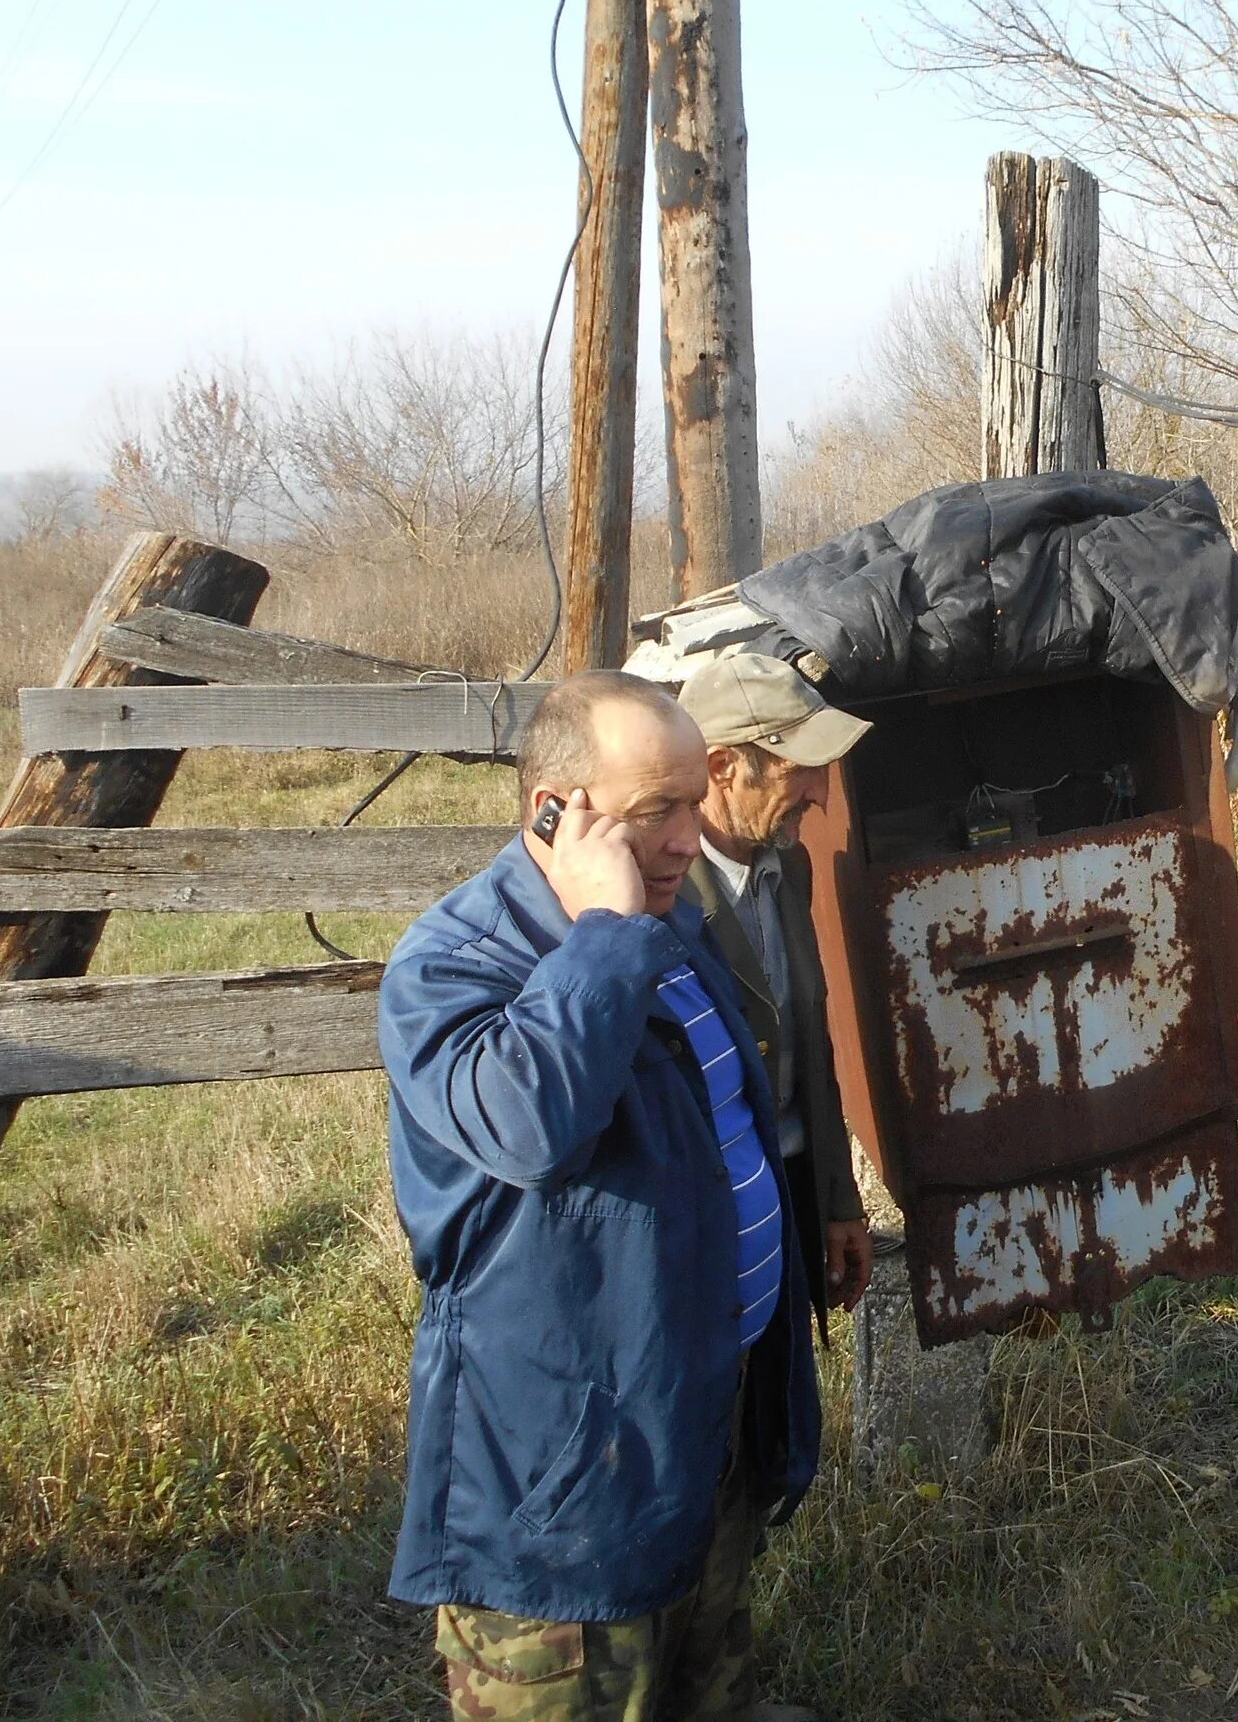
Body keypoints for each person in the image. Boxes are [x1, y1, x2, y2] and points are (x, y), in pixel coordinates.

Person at [379, 669, 822, 1722]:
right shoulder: (453, 964)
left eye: (691, 801)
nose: (686, 837)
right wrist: (603, 939)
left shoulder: (663, 929)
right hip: (565, 1473)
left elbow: (736, 1124)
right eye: (654, 811)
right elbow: (530, 1126)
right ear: (556, 810)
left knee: (703, 1659)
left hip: (695, 1408)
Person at [676, 652, 876, 1333]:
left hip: (790, 1193)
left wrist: (836, 1199)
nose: (821, 794)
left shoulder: (788, 865)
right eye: (800, 770)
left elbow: (810, 1046)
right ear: (721, 768)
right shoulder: (653, 900)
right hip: (705, 1220)